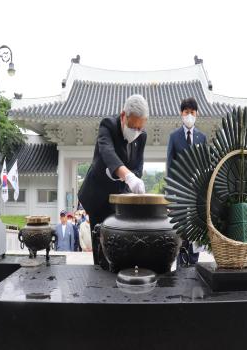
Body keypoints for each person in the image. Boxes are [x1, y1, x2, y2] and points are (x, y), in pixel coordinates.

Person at [78, 94, 149, 266]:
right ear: (123, 116)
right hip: (97, 197)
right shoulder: (108, 125)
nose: (137, 132)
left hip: (119, 200)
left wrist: (135, 179)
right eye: (133, 127)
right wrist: (127, 176)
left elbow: (138, 167)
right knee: (101, 250)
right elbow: (107, 152)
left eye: (140, 128)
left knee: (118, 250)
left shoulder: (142, 136)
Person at [166, 97, 207, 267]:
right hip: (180, 195)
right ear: (181, 114)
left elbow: (206, 165)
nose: (189, 115)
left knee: (195, 232)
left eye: (192, 112)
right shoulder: (174, 137)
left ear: (196, 114)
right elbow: (170, 165)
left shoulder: (202, 137)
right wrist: (170, 195)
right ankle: (181, 267)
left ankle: (194, 265)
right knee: (182, 231)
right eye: (186, 112)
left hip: (197, 194)